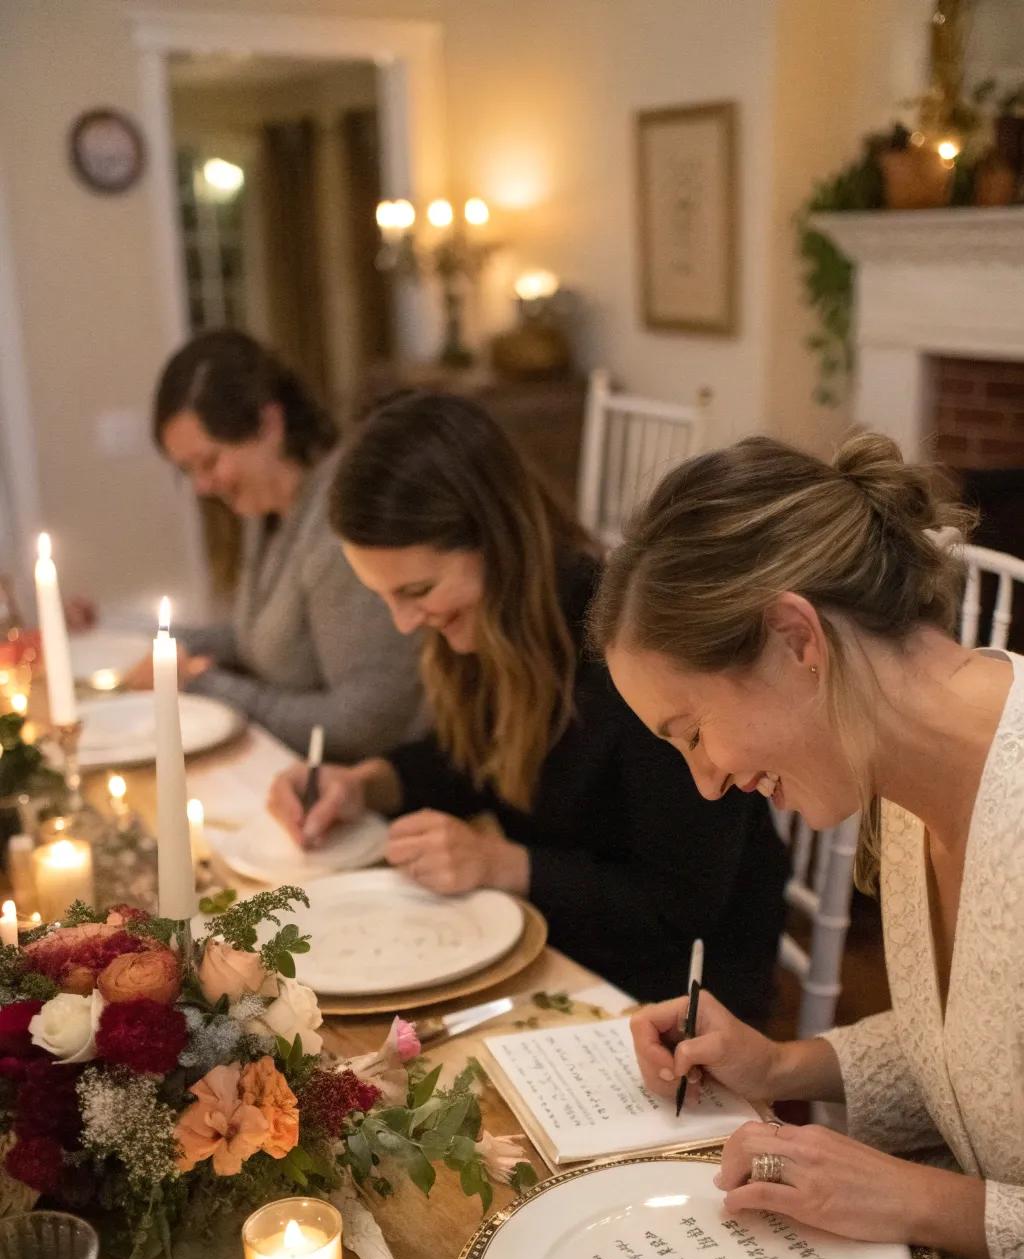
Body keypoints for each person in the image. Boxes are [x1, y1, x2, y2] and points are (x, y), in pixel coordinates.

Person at [590, 430, 1024, 1259]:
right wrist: (785, 1064)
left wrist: (925, 1202)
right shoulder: (902, 780)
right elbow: (983, 1046)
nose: (705, 782)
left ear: (796, 638)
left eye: (693, 730)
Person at [268, 391, 787, 1011]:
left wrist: (503, 864)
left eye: (419, 590)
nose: (405, 622)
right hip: (557, 945)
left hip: (674, 990)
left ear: (494, 540)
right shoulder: (496, 630)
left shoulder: (630, 653)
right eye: (385, 598)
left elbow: (681, 903)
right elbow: (471, 762)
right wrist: (362, 784)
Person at [129, 330, 425, 759]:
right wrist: (147, 639)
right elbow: (264, 637)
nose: (201, 486)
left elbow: (364, 725)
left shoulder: (341, 523)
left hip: (372, 792)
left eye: (209, 461)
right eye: (188, 471)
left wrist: (202, 685)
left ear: (269, 424)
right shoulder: (270, 507)